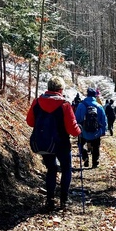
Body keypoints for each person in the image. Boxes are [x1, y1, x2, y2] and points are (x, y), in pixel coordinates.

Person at [26, 76, 81, 210]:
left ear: (48, 88)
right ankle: (64, 200)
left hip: (44, 143)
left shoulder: (37, 102)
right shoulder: (64, 105)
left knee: (51, 169)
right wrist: (79, 130)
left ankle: (50, 199)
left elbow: (30, 122)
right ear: (61, 89)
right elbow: (72, 130)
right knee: (66, 169)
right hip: (62, 143)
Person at [75, 87, 107, 168]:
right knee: (96, 146)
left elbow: (76, 118)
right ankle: (95, 162)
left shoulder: (81, 105)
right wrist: (103, 131)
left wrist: (77, 129)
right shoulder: (99, 106)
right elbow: (103, 120)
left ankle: (85, 156)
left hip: (83, 132)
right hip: (96, 132)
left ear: (87, 95)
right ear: (95, 96)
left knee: (80, 144)